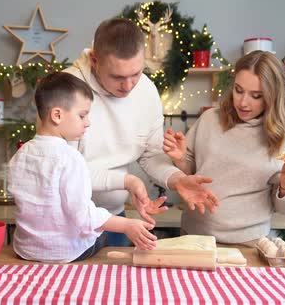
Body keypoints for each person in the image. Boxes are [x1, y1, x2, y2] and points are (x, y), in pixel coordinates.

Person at [63, 18, 219, 246]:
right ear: (95, 60)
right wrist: (127, 181)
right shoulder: (66, 90)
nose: (128, 86)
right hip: (69, 224)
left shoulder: (145, 89)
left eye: (136, 73)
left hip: (116, 219)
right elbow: (65, 172)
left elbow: (151, 155)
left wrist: (176, 179)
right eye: (117, 77)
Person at [163, 50, 285, 246]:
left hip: (249, 244)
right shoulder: (210, 119)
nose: (243, 102)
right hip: (195, 238)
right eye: (238, 90)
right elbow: (191, 175)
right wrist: (180, 158)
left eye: (256, 95)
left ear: (273, 97)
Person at [7, 72, 157, 263]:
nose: (88, 123)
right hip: (65, 253)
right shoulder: (70, 158)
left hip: (26, 249)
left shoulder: (20, 154)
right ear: (57, 115)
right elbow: (83, 217)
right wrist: (127, 225)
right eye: (82, 115)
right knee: (101, 235)